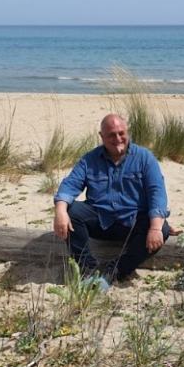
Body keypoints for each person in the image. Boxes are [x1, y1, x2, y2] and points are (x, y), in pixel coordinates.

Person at [53, 113, 171, 285]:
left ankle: (115, 270)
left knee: (163, 229)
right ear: (101, 137)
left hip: (132, 223)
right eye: (111, 135)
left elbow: (157, 192)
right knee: (70, 211)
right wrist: (60, 211)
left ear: (127, 132)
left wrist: (156, 226)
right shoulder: (89, 160)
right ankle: (88, 271)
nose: (117, 138)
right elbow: (70, 185)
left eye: (121, 133)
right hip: (100, 221)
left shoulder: (145, 158)